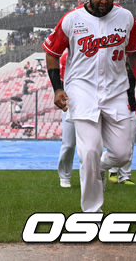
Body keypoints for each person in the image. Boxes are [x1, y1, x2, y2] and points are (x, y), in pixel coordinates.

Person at [44, 0, 136, 213]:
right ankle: (92, 212)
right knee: (90, 150)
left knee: (122, 154)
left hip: (116, 90)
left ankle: (101, 168)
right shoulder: (72, 20)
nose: (103, 1)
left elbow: (135, 52)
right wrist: (57, 88)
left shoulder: (125, 18)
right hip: (82, 90)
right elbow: (52, 53)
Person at [109, 65, 136, 186]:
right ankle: (113, 171)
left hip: (131, 108)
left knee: (129, 143)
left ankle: (125, 176)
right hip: (114, 108)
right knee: (115, 142)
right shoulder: (111, 67)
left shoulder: (134, 68)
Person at [56, 50, 76, 188]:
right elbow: (63, 83)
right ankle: (64, 176)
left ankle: (94, 175)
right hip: (71, 104)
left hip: (92, 103)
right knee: (68, 144)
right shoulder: (65, 57)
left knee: (93, 144)